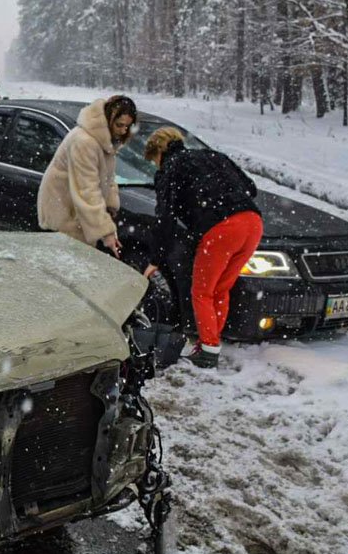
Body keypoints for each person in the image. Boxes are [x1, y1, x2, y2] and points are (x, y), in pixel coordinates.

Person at [142, 127, 263, 369]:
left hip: (221, 230)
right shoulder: (213, 156)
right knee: (221, 288)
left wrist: (156, 258)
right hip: (252, 223)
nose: (156, 166)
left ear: (159, 152)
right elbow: (250, 188)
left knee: (202, 292)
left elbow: (164, 218)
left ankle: (207, 350)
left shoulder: (171, 168)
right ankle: (212, 343)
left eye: (154, 160)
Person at [37, 95, 137, 256]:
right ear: (108, 119)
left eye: (127, 126)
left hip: (79, 211)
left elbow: (107, 177)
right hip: (64, 210)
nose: (123, 130)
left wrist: (110, 205)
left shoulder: (105, 141)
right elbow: (87, 189)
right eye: (119, 125)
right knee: (70, 265)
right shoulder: (84, 141)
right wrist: (106, 231)